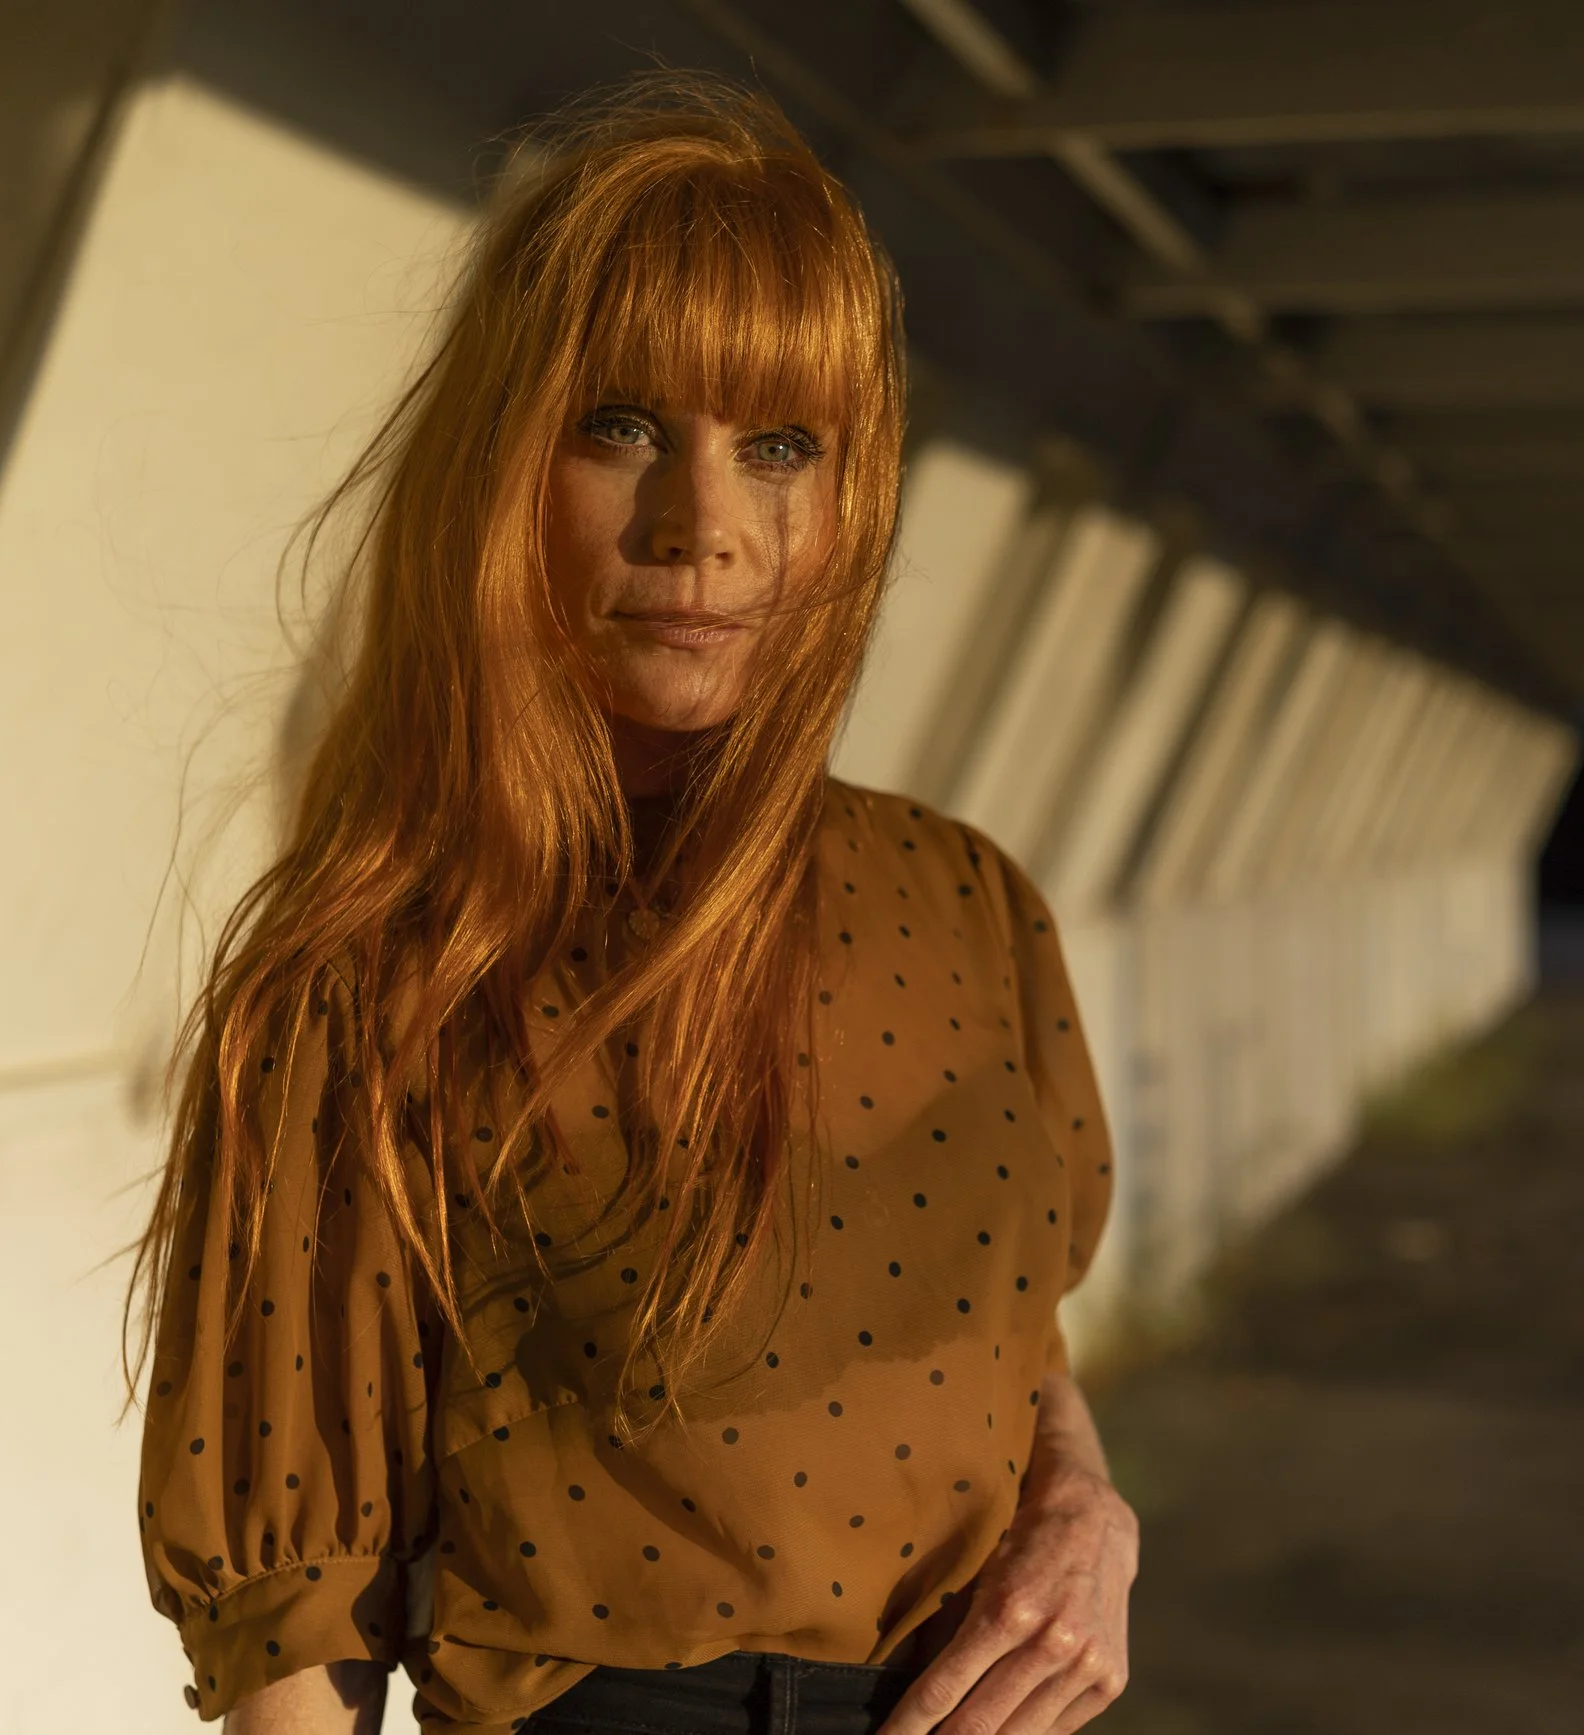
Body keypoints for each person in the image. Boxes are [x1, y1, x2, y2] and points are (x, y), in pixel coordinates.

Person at [125, 72, 1137, 1735]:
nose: (702, 529)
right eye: (622, 427)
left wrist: (1084, 1506)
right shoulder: (378, 956)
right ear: (507, 467)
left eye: (781, 446)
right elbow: (297, 1621)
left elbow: (1020, 1329)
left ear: (852, 497)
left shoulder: (971, 900)